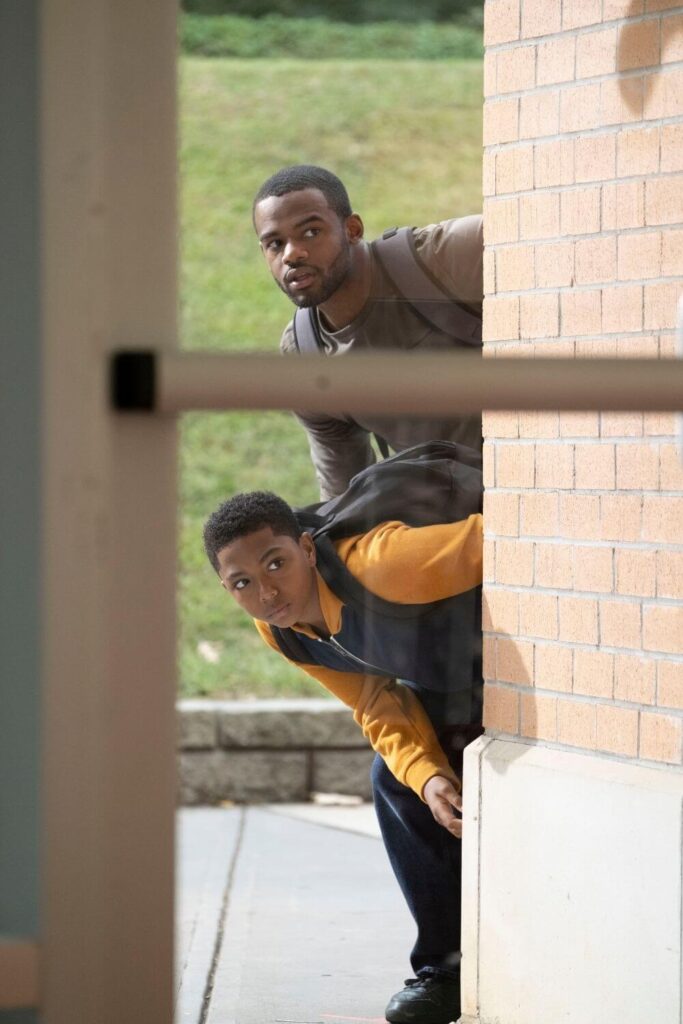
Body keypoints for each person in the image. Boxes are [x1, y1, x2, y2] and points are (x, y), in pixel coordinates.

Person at [203, 489, 483, 1024]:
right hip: (457, 686)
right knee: (398, 779)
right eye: (242, 583)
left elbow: (508, 539)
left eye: (276, 563)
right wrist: (427, 778)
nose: (265, 592)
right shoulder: (282, 631)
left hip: (518, 672)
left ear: (308, 549)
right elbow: (374, 699)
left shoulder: (383, 563)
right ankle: (445, 971)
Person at [252, 164, 483, 500]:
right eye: (275, 243)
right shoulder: (305, 355)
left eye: (311, 232)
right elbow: (344, 492)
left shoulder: (442, 257)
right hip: (456, 524)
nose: (291, 254)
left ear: (353, 229)